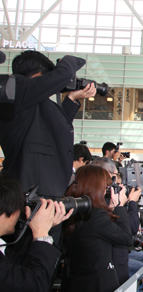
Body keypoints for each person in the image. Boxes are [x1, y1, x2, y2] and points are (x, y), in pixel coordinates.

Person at [0, 51, 93, 198]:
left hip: (39, 191)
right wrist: (68, 60)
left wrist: (71, 98)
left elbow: (53, 128)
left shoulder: (30, 102)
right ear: (37, 76)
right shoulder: (17, 87)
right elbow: (62, 74)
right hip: (29, 191)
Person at [62, 165, 132, 292]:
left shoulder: (74, 213)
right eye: (106, 186)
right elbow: (125, 238)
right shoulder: (96, 216)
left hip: (77, 286)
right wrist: (120, 206)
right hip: (100, 290)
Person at [0, 176, 73, 292]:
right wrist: (41, 235)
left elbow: (21, 265)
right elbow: (33, 283)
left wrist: (41, 229)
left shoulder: (5, 246)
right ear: (7, 209)